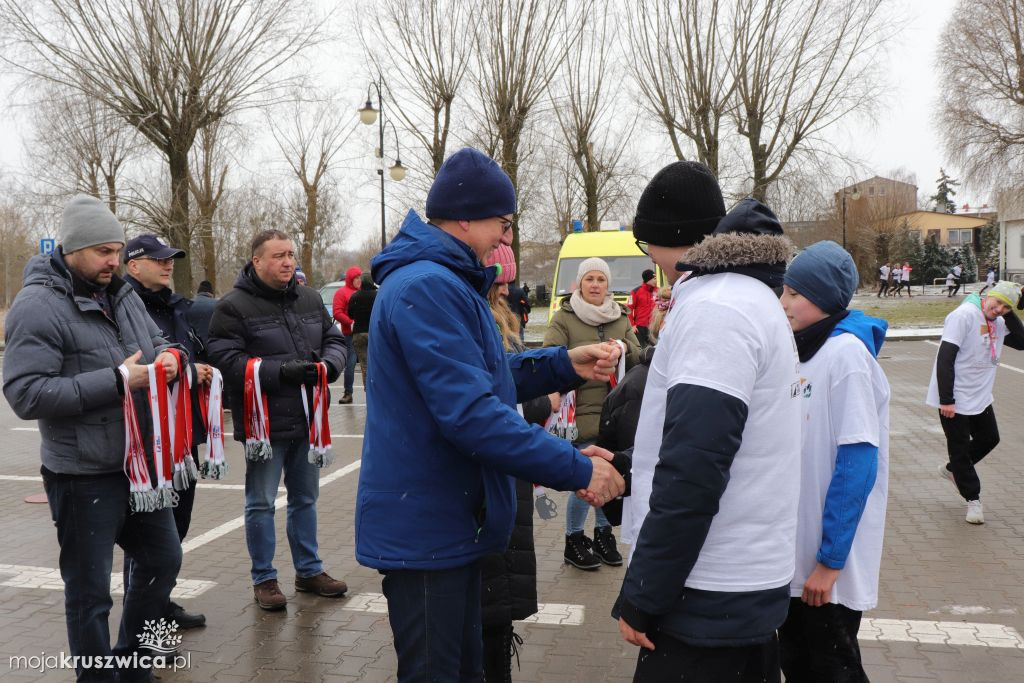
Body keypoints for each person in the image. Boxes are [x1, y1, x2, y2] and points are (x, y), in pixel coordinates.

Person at [355, 147, 626, 681]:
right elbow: (472, 413)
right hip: (428, 529)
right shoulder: (429, 285)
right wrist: (577, 468)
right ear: (465, 217)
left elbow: (487, 373)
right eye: (502, 224)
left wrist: (563, 363)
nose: (506, 237)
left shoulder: (446, 280)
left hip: (447, 522)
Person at [610, 162, 802, 683]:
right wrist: (630, 467)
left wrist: (645, 591)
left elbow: (695, 468)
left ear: (662, 240)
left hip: (708, 587)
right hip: (740, 581)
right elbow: (722, 442)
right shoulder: (749, 298)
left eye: (644, 243)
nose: (647, 256)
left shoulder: (716, 310)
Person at [3, 194, 183, 683]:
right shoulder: (37, 306)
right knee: (89, 593)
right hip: (82, 474)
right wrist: (119, 381)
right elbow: (24, 393)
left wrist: (172, 359)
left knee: (164, 561)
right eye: (103, 251)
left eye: (118, 250)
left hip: (139, 465)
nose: (113, 260)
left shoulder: (122, 294)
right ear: (72, 249)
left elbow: (157, 343)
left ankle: (133, 665)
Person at [207, 229, 349, 610]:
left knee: (306, 499)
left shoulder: (308, 297)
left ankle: (308, 570)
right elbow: (224, 359)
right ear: (257, 261)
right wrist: (280, 372)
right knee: (261, 503)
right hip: (264, 426)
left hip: (308, 421)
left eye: (291, 255)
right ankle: (264, 579)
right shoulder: (233, 306)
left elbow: (334, 339)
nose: (288, 262)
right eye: (278, 256)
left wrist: (330, 366)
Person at [777, 241, 890, 682]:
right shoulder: (804, 351)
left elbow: (857, 462)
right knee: (798, 665)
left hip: (826, 568)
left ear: (822, 299)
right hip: (794, 557)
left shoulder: (846, 357)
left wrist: (829, 561)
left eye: (792, 293)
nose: (782, 302)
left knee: (833, 669)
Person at [479, 243, 559, 681]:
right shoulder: (474, 319)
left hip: (507, 479)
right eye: (500, 280)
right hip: (488, 479)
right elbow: (482, 408)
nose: (506, 287)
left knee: (498, 605)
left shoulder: (501, 319)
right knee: (488, 603)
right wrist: (538, 408)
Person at [123, 234, 211, 630]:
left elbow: (187, 353)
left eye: (171, 258)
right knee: (148, 543)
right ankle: (142, 621)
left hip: (181, 439)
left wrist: (189, 366)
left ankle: (161, 602)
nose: (168, 264)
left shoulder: (177, 307)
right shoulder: (126, 308)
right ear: (133, 265)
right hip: (147, 442)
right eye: (158, 259)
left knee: (176, 530)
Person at [544, 257, 641, 571]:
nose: (596, 285)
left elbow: (639, 355)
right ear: (580, 284)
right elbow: (548, 359)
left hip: (617, 413)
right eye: (590, 279)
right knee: (585, 477)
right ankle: (573, 539)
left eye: (601, 279)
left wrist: (623, 347)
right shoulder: (564, 318)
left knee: (609, 475)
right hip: (580, 414)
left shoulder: (620, 316)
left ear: (608, 285)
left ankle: (602, 535)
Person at [926, 281, 1024, 524]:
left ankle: (953, 470)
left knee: (990, 438)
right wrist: (946, 399)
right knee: (959, 447)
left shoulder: (1000, 322)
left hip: (980, 396)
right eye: (997, 302)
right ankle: (973, 500)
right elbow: (945, 357)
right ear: (988, 295)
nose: (999, 308)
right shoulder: (964, 316)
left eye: (1006, 306)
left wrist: (1013, 309)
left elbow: (1022, 342)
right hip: (954, 397)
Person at [331, 266, 362, 404]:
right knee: (350, 364)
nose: (359, 281)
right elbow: (337, 312)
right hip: (350, 335)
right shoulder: (341, 293)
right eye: (356, 278)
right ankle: (348, 392)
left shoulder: (363, 292)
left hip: (366, 333)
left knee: (370, 364)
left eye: (360, 278)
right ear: (350, 279)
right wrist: (351, 322)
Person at [347, 272, 377, 387]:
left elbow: (350, 315)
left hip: (358, 333)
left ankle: (367, 389)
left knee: (364, 364)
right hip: (374, 333)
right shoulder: (377, 295)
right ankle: (377, 390)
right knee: (376, 363)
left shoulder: (355, 296)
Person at [627, 268, 658, 346]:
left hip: (654, 327)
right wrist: (632, 325)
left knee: (655, 351)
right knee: (640, 350)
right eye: (654, 279)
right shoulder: (635, 291)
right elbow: (629, 309)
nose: (656, 281)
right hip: (640, 328)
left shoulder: (659, 291)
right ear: (649, 279)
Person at [188, 279, 218, 354]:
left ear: (198, 292)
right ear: (211, 293)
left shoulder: (187, 304)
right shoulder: (217, 304)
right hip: (213, 348)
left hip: (194, 349)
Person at [506, 273, 532, 343]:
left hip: (504, 318)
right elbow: (527, 304)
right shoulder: (520, 291)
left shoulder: (502, 291)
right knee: (520, 339)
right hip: (518, 317)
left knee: (506, 339)